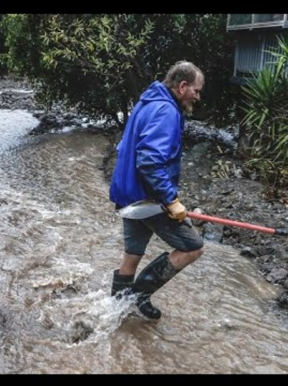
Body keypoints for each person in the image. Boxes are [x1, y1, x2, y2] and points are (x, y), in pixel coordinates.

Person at [108, 61, 206, 320]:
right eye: (196, 90)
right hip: (147, 199)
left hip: (128, 194)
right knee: (193, 247)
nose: (198, 96)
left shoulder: (146, 102)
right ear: (182, 86)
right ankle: (136, 296)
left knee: (132, 254)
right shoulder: (166, 111)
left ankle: (115, 311)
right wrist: (171, 201)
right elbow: (150, 161)